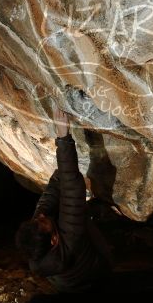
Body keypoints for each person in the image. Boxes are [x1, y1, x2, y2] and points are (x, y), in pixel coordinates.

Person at [15, 105, 112, 292]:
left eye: (36, 219)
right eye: (42, 222)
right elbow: (73, 190)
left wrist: (61, 174)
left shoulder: (37, 245)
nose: (41, 216)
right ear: (54, 240)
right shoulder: (71, 238)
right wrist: (63, 138)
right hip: (95, 273)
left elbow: (49, 197)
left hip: (63, 282)